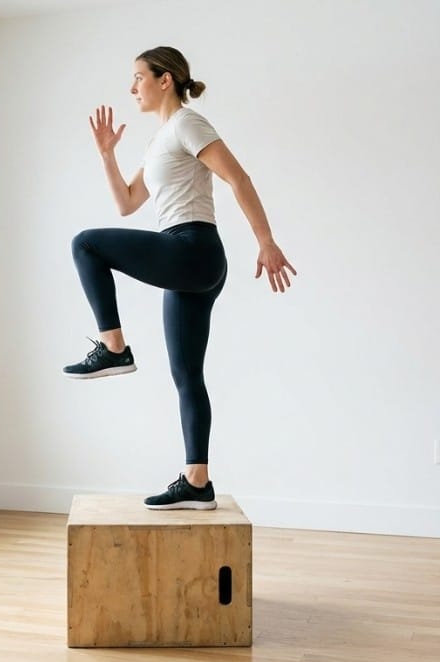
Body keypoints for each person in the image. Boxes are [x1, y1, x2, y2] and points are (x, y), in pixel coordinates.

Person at [62, 46, 296, 510]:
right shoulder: (159, 141)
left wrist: (265, 240)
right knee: (187, 374)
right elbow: (128, 203)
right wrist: (107, 155)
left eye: (138, 78)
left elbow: (239, 178)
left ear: (164, 80)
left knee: (86, 243)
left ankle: (113, 348)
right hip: (190, 262)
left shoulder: (188, 124)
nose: (132, 89)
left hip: (193, 248)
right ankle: (197, 481)